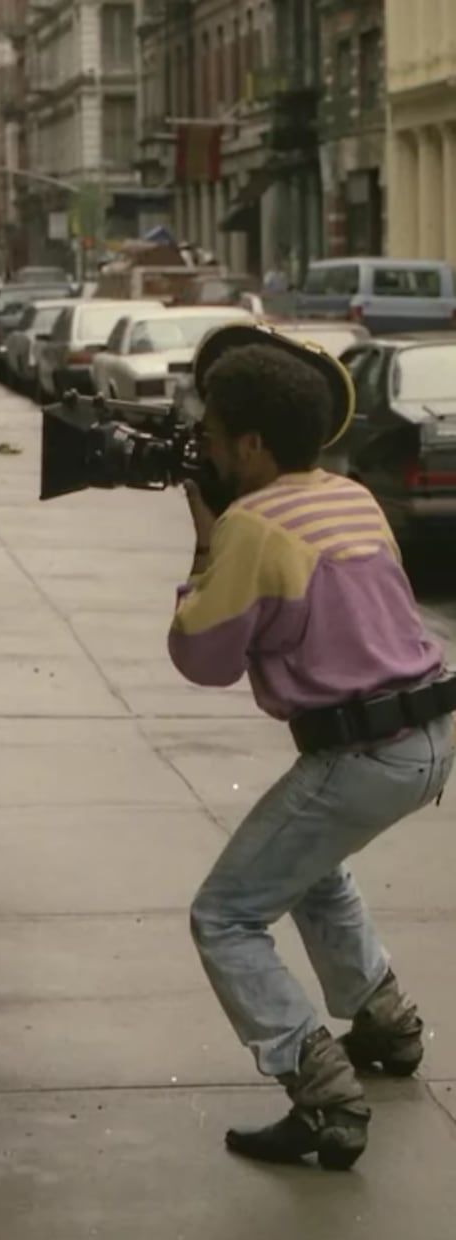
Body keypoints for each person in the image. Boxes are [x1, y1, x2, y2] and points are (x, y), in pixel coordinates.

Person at [168, 327, 454, 1170]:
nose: (208, 453)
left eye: (215, 440)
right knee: (306, 867)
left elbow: (202, 658)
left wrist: (203, 543)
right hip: (428, 735)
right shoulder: (349, 494)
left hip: (361, 753)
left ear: (250, 445)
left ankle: (320, 1091)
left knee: (223, 916)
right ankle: (384, 1024)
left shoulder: (252, 526)